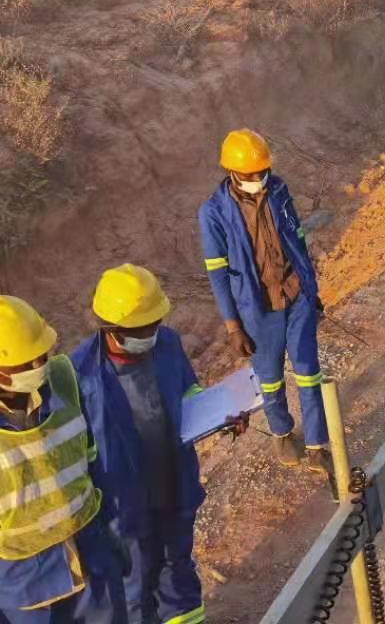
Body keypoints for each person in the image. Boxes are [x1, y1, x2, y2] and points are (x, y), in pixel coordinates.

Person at [74, 266, 218, 624]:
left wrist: (219, 412)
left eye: (154, 324)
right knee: (134, 590)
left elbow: (188, 391)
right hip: (123, 507)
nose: (151, 335)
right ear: (110, 328)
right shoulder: (79, 374)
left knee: (179, 576)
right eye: (142, 329)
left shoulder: (167, 343)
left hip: (173, 484)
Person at [198, 129, 330, 471]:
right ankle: (283, 434)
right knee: (269, 379)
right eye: (251, 174)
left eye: (262, 172)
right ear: (231, 171)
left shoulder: (279, 191)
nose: (258, 179)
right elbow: (218, 273)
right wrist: (232, 326)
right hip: (257, 309)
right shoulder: (212, 213)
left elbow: (298, 241)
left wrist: (311, 292)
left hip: (295, 295)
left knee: (308, 373)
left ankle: (317, 444)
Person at [0, 295, 126, 623]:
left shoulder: (61, 382)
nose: (37, 367)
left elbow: (91, 459)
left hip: (91, 557)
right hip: (26, 588)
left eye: (40, 356)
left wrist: (109, 527)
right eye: (25, 363)